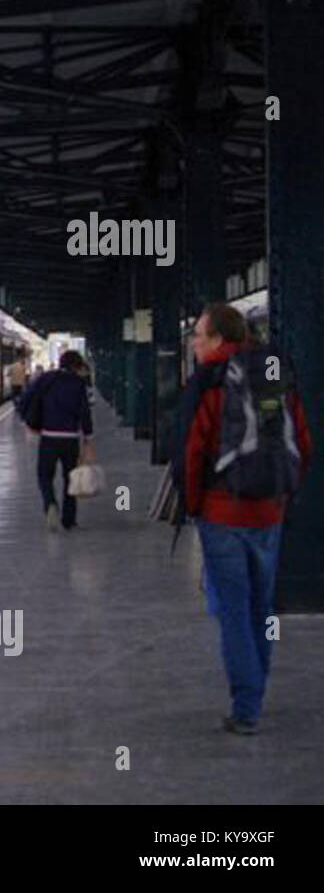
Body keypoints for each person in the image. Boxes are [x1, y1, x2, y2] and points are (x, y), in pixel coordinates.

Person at [174, 303, 312, 735]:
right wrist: (281, 495)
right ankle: (257, 688)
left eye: (199, 335)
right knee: (261, 606)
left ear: (217, 339)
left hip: (222, 511)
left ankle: (247, 706)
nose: (194, 343)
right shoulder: (273, 371)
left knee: (234, 611)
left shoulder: (209, 380)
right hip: (269, 511)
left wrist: (194, 507)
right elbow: (303, 444)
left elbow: (192, 454)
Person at [18, 350, 93, 531]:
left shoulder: (47, 379)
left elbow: (26, 397)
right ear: (76, 365)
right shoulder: (78, 384)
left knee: (44, 476)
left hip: (49, 436)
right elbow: (85, 412)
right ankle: (69, 519)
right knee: (70, 479)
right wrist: (88, 438)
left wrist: (27, 419)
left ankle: (50, 503)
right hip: (70, 438)